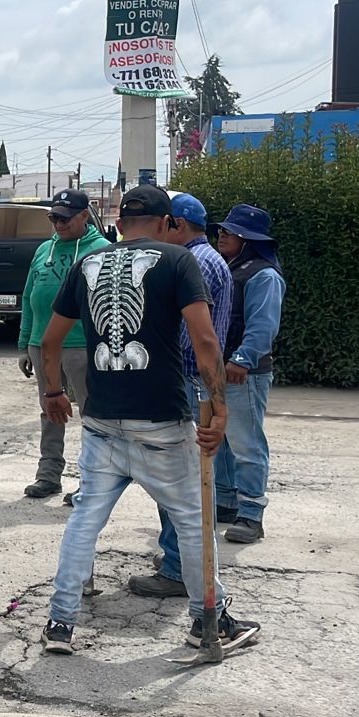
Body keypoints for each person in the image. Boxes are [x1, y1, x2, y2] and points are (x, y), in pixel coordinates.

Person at [37, 185, 260, 656]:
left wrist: (53, 391)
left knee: (84, 522)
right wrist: (219, 410)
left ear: (118, 226)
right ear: (165, 223)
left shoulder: (86, 264)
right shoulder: (179, 262)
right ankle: (210, 620)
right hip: (161, 419)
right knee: (192, 521)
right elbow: (204, 342)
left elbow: (51, 340)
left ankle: (60, 622)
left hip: (101, 419)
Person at [129, 193, 233, 598]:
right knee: (187, 481)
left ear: (174, 224)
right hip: (195, 381)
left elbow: (194, 335)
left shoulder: (192, 263)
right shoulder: (208, 259)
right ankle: (179, 558)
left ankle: (176, 568)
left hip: (185, 380)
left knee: (177, 482)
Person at [17, 188, 109, 502]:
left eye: (66, 218)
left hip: (82, 346)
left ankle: (92, 481)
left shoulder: (102, 250)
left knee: (92, 415)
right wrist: (24, 343)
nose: (59, 224)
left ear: (85, 215)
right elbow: (29, 298)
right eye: (54, 217)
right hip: (42, 346)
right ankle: (48, 475)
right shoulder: (44, 250)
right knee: (49, 411)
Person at [212, 204, 285, 546]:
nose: (222, 234)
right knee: (222, 440)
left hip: (245, 372)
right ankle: (226, 501)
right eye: (222, 229)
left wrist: (241, 359)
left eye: (231, 231)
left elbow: (263, 325)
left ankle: (252, 514)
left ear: (249, 240)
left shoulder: (263, 274)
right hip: (219, 368)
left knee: (246, 443)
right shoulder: (231, 268)